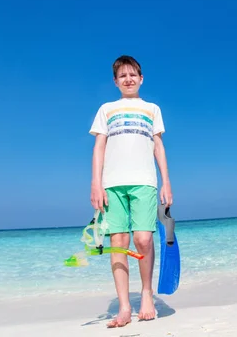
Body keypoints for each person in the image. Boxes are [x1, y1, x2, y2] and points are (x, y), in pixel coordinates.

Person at [89, 55, 173, 328]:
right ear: (115, 82)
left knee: (144, 240)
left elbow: (158, 146)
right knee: (119, 243)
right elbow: (99, 147)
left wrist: (166, 182)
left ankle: (146, 294)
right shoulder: (106, 109)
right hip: (112, 184)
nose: (128, 79)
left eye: (133, 74)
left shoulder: (152, 109)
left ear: (141, 78)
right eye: (122, 76)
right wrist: (95, 183)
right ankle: (124, 307)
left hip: (145, 182)